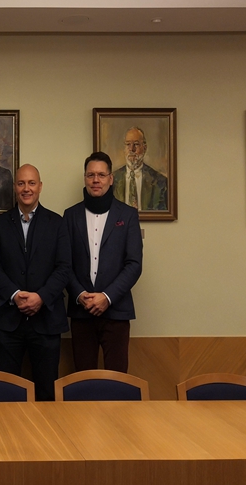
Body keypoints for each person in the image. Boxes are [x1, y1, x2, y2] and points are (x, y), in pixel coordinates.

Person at [0, 164, 71, 401]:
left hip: (46, 321)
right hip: (7, 322)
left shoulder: (57, 223)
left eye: (31, 183)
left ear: (40, 186)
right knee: (5, 393)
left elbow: (64, 268)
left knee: (46, 392)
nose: (26, 188)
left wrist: (40, 297)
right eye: (21, 183)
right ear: (15, 187)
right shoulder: (0, 224)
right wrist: (14, 295)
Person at [64, 152, 143, 373]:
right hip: (81, 311)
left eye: (101, 175)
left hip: (116, 312)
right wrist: (80, 294)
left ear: (111, 178)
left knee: (117, 381)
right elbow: (64, 264)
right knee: (83, 380)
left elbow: (134, 264)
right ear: (85, 178)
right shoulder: (70, 216)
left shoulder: (128, 215)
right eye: (91, 175)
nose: (95, 180)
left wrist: (107, 297)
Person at [112, 127, 168, 211]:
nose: (131, 149)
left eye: (136, 144)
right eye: (128, 144)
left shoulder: (160, 182)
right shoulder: (112, 179)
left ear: (144, 148)